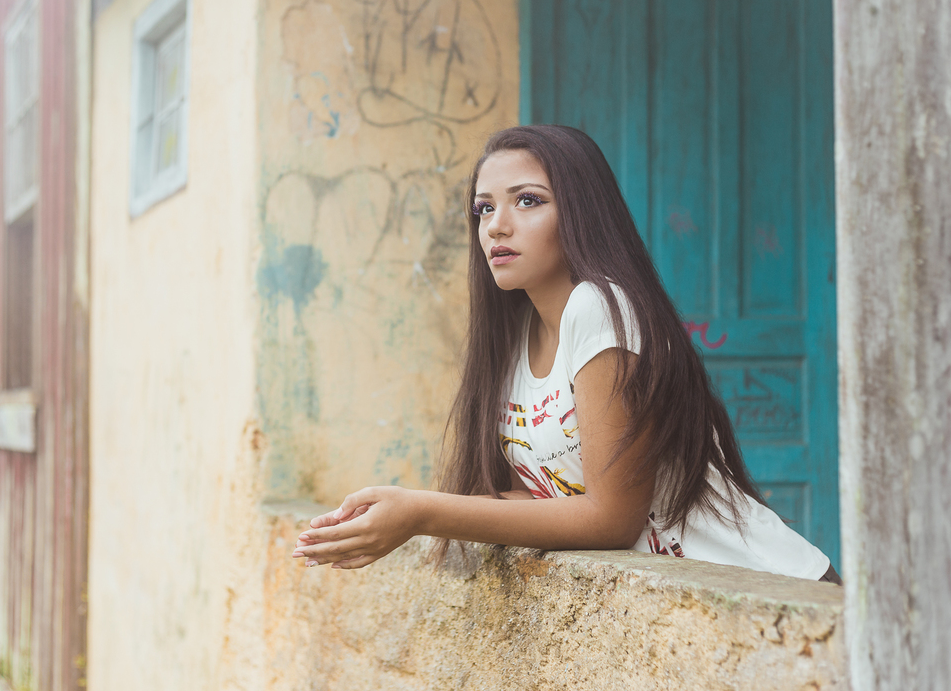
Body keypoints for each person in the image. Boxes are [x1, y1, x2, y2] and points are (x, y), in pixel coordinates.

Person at [292, 125, 838, 583]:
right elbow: (554, 500)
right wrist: (389, 513)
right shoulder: (514, 339)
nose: (496, 225)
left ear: (580, 211)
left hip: (767, 589)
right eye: (484, 208)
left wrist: (421, 512)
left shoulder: (598, 307)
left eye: (527, 200)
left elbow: (610, 520)